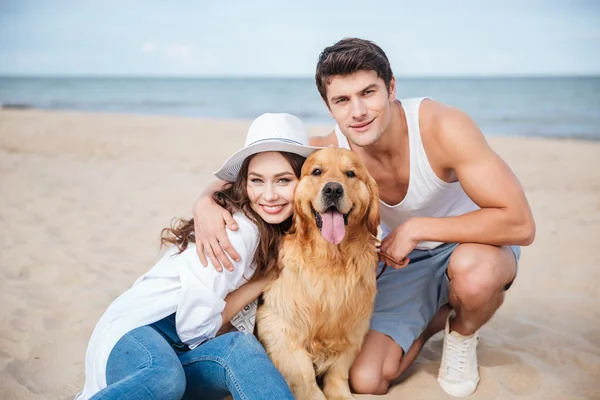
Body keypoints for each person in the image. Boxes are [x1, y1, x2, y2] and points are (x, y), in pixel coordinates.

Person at [192, 38, 536, 397]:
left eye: (368, 92)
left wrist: (418, 228)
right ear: (330, 107)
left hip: (474, 245)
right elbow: (254, 163)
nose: (357, 111)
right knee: (367, 380)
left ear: (391, 87)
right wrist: (203, 200)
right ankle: (438, 314)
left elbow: (520, 223)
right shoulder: (334, 145)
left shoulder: (442, 126)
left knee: (474, 276)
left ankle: (464, 332)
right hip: (404, 260)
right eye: (342, 100)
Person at [76, 113, 319, 400]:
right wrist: (264, 279)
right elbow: (196, 326)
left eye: (283, 181)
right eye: (257, 180)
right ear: (245, 183)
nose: (269, 195)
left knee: (240, 349)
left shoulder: (281, 233)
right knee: (164, 377)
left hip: (183, 353)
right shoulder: (240, 231)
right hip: (137, 332)